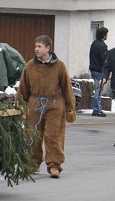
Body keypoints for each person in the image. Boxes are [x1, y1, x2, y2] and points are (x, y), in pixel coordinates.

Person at [16, 35, 76, 179]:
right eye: (35, 46)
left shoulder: (59, 66)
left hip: (54, 104)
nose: (36, 49)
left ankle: (54, 165)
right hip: (34, 103)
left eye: (40, 46)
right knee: (32, 134)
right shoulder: (30, 65)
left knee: (53, 136)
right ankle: (33, 162)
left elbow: (67, 88)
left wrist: (70, 108)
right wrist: (20, 106)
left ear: (48, 48)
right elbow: (23, 88)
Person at [88, 27, 108, 117]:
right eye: (106, 34)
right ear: (103, 35)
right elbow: (104, 60)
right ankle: (97, 109)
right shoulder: (102, 46)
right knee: (98, 91)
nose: (107, 35)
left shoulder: (94, 44)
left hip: (93, 69)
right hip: (99, 70)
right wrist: (106, 71)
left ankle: (96, 109)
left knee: (97, 89)